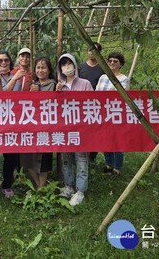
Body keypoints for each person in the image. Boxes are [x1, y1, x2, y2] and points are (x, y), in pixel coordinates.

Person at [56, 54, 93, 206]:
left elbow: (93, 104)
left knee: (81, 158)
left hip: (81, 129)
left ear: (75, 66)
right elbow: (52, 109)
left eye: (69, 63)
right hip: (64, 129)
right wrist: (57, 93)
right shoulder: (59, 85)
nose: (67, 67)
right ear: (60, 69)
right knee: (66, 158)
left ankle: (81, 190)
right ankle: (68, 186)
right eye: (63, 64)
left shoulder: (85, 84)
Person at [0, 51, 21, 198]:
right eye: (0, 60)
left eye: (6, 60)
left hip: (11, 121)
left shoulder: (16, 78)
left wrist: (14, 80)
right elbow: (0, 96)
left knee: (10, 155)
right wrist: (12, 81)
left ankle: (7, 185)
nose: (3, 63)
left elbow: (14, 97)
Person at [23, 57, 56, 188]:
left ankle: (41, 187)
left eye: (43, 67)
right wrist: (32, 94)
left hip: (47, 127)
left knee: (44, 158)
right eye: (38, 68)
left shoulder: (54, 85)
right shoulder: (33, 86)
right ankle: (38, 185)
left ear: (49, 70)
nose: (40, 70)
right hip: (32, 127)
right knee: (26, 157)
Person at [96, 51, 130, 175]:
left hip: (116, 113)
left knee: (117, 140)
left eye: (115, 61)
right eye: (110, 61)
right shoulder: (103, 77)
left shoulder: (124, 79)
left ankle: (117, 167)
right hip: (103, 112)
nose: (112, 63)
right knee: (106, 139)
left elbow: (121, 95)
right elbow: (96, 93)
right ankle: (108, 163)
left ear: (120, 64)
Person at [78, 42, 104, 162]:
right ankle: (83, 151)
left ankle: (92, 155)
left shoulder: (103, 68)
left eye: (94, 51)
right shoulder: (82, 66)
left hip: (97, 103)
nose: (91, 53)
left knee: (95, 129)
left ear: (99, 53)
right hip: (81, 103)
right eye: (89, 50)